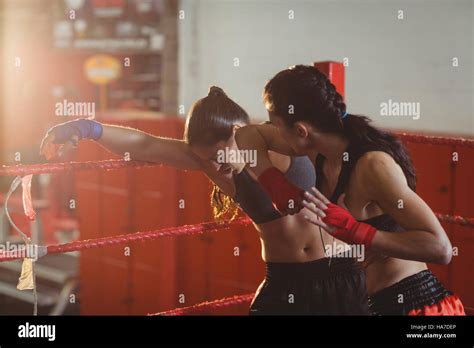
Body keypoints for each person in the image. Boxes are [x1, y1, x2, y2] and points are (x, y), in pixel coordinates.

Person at [40, 86, 370, 315]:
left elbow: (319, 140)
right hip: (283, 280)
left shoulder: (269, 139)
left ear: (241, 132)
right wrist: (87, 128)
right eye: (205, 159)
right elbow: (144, 145)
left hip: (338, 274)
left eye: (218, 154)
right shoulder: (205, 160)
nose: (215, 166)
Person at [236, 65, 465, 315]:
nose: (274, 133)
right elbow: (248, 135)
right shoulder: (318, 152)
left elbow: (441, 249)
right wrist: (273, 182)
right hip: (376, 304)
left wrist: (359, 232)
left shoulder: (372, 166)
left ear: (301, 130)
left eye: (277, 126)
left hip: (418, 305)